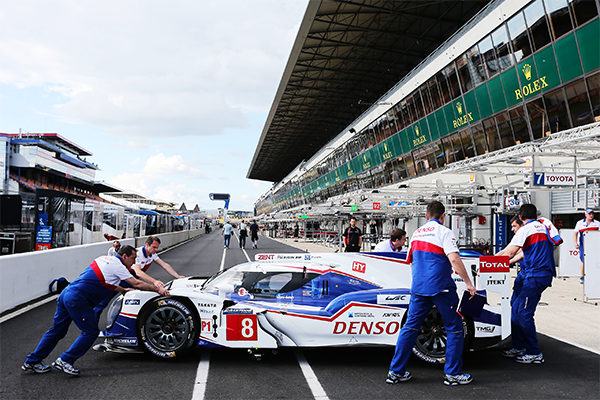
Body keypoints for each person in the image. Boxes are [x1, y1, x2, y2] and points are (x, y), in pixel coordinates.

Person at [22, 245, 169, 376]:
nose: (134, 262)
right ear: (124, 256)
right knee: (91, 332)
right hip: (78, 299)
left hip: (67, 293)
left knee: (57, 330)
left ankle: (32, 362)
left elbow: (103, 280)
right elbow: (137, 283)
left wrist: (122, 289)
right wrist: (158, 289)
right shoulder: (118, 266)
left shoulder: (103, 259)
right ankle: (65, 360)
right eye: (133, 258)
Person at [387, 201, 475, 386]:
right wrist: (469, 283)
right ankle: (452, 374)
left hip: (419, 288)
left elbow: (410, 261)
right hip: (441, 287)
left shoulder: (416, 234)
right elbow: (454, 260)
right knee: (455, 327)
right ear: (443, 216)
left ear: (426, 216)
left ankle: (395, 372)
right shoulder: (445, 232)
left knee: (410, 328)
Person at [496, 204, 555, 364]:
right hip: (533, 274)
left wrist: (488, 263)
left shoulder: (526, 229)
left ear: (521, 218)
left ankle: (534, 352)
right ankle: (519, 346)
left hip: (535, 275)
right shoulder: (543, 227)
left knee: (523, 313)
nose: (514, 229)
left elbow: (510, 251)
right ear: (535, 214)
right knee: (515, 309)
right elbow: (521, 253)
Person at [573, 209, 600, 284]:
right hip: (583, 245)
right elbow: (575, 234)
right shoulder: (580, 223)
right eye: (589, 214)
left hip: (594, 245)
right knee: (583, 260)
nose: (591, 215)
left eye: (592, 214)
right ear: (586, 215)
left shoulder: (597, 223)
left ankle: (594, 275)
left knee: (595, 260)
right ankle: (582, 277)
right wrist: (575, 243)